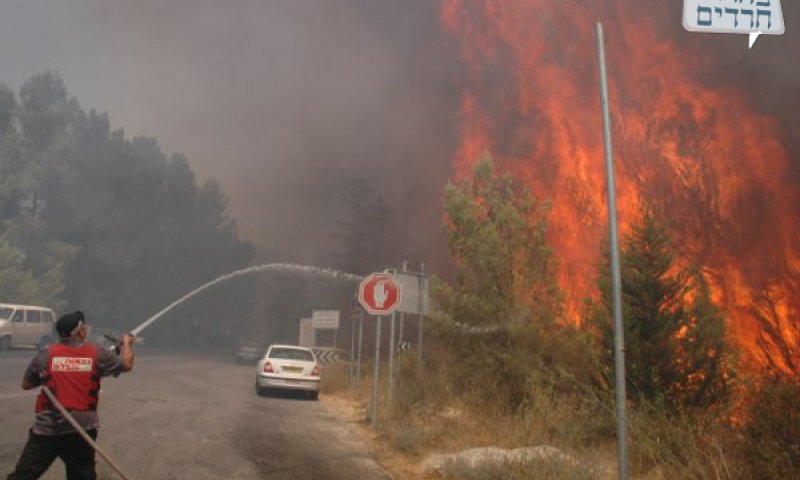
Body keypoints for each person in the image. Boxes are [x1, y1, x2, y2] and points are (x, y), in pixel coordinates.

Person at [6, 311, 134, 480]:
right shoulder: (98, 354)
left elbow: (27, 384)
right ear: (81, 332)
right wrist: (126, 343)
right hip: (81, 430)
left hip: (47, 429)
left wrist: (54, 376)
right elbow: (126, 364)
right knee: (81, 476)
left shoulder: (46, 354)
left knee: (23, 476)